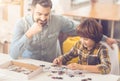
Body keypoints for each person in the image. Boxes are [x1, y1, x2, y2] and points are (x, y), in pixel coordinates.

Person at [10, 0, 115, 62]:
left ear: (50, 11)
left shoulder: (58, 20)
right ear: (31, 10)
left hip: (53, 65)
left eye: (46, 14)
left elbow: (82, 30)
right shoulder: (21, 24)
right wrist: (29, 34)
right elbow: (13, 54)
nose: (43, 18)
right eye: (39, 14)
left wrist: (105, 38)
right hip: (31, 66)